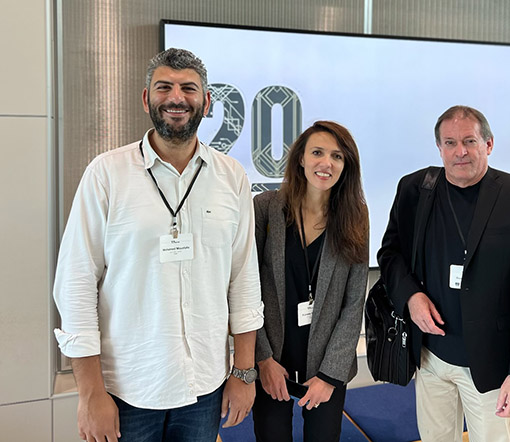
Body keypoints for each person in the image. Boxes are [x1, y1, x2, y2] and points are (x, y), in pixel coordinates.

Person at [53, 48, 264, 442]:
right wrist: (89, 392)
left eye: (189, 88)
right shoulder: (107, 174)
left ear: (207, 102)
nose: (176, 98)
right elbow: (76, 284)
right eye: (164, 87)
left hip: (204, 384)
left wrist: (243, 372)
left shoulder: (231, 176)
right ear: (146, 97)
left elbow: (243, 279)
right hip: (127, 388)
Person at [378, 105, 510, 442]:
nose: (460, 152)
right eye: (450, 143)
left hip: (490, 365)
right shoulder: (416, 189)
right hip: (430, 356)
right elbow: (390, 254)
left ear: (488, 144)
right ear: (439, 148)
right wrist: (411, 297)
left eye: (469, 141)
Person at [252, 121, 369, 442]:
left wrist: (330, 376)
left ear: (346, 166)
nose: (326, 163)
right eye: (317, 152)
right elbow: (246, 290)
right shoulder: (265, 208)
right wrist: (263, 359)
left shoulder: (355, 214)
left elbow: (354, 300)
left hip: (326, 367)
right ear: (300, 159)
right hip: (274, 362)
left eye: (337, 156)